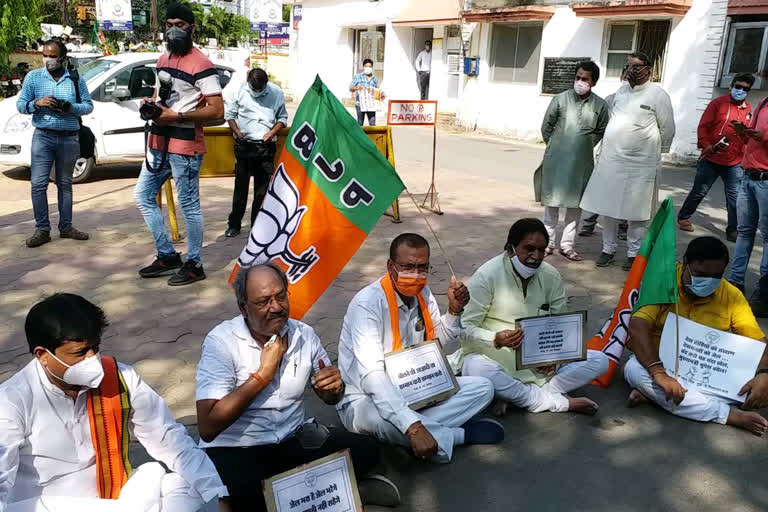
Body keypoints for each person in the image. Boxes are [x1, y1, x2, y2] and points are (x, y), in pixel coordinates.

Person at [196, 264, 400, 512]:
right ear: (243, 308)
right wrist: (262, 375)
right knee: (238, 490)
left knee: (367, 450)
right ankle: (334, 492)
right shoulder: (222, 342)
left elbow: (332, 396)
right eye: (263, 302)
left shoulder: (304, 335)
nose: (276, 307)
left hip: (291, 439)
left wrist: (332, 389)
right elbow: (207, 426)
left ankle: (312, 495)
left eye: (281, 296)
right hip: (238, 449)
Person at [0, 294, 228, 512]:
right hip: (45, 504)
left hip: (112, 497)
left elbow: (168, 438)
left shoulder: (117, 378)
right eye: (80, 352)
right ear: (43, 355)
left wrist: (219, 494)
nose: (93, 359)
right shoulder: (12, 401)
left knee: (188, 484)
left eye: (96, 348)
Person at [336, 233, 504, 464]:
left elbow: (435, 347)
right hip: (364, 397)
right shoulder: (367, 304)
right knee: (380, 419)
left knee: (483, 387)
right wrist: (413, 427)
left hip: (415, 386)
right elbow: (372, 377)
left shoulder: (422, 293)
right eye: (407, 267)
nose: (415, 275)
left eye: (422, 268)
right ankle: (456, 435)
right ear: (390, 266)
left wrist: (454, 312)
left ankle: (408, 437)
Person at [460, 219, 610, 417]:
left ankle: (515, 395)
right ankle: (556, 402)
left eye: (541, 250)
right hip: (497, 359)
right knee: (476, 367)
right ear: (510, 248)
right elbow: (465, 328)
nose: (536, 256)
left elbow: (561, 323)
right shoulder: (486, 275)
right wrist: (495, 338)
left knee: (600, 360)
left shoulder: (550, 275)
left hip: (540, 364)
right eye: (529, 249)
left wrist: (555, 358)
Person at [625, 237, 768, 436]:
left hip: (709, 372)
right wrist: (659, 373)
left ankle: (657, 397)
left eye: (716, 276)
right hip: (658, 364)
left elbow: (757, 341)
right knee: (633, 370)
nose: (708, 281)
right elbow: (638, 326)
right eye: (701, 274)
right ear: (686, 263)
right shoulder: (662, 282)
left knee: (759, 388)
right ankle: (726, 414)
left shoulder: (732, 295)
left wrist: (764, 374)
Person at [133, 2, 224, 286]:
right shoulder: (163, 59)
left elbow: (217, 111)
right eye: (169, 24)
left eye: (179, 25)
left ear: (191, 28)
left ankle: (195, 263)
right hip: (159, 141)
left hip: (185, 146)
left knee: (189, 206)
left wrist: (179, 115)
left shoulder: (202, 64)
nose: (173, 30)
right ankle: (167, 255)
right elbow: (165, 96)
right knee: (143, 196)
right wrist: (154, 105)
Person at [580, 52, 676, 271]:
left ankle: (634, 254)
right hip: (612, 161)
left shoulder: (658, 95)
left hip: (641, 165)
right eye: (628, 65)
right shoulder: (620, 92)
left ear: (649, 70)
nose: (631, 69)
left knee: (637, 213)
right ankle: (608, 249)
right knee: (608, 209)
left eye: (636, 66)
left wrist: (655, 155)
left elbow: (668, 128)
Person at [16, 39, 92, 248]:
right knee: (38, 184)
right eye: (45, 55)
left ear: (62, 58)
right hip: (44, 136)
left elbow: (88, 106)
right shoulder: (33, 77)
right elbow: (21, 105)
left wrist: (70, 107)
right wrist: (37, 103)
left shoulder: (75, 79)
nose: (48, 60)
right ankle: (42, 230)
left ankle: (66, 227)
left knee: (65, 183)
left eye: (52, 56)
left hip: (69, 137)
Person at [537, 61, 609, 261]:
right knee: (551, 203)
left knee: (575, 206)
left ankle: (567, 245)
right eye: (578, 77)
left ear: (593, 82)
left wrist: (583, 144)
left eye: (584, 79)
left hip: (582, 163)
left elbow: (601, 131)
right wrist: (557, 145)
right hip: (556, 160)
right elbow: (546, 127)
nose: (580, 82)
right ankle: (547, 243)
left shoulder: (600, 105)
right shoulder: (560, 99)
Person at [678, 73, 754, 242]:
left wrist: (745, 136)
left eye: (745, 89)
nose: (740, 91)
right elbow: (703, 126)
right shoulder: (717, 104)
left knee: (734, 197)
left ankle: (733, 229)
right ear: (731, 86)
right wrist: (706, 146)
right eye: (738, 87)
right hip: (712, 157)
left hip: (734, 161)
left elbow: (747, 137)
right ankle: (683, 217)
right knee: (700, 191)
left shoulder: (748, 109)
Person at [223, 68, 288, 237]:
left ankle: (257, 225)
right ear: (249, 83)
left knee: (262, 188)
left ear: (266, 84)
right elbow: (230, 115)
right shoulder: (238, 90)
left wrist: (272, 133)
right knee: (241, 187)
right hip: (244, 144)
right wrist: (237, 131)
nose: (258, 92)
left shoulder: (275, 92)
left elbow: (282, 118)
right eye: (255, 88)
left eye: (261, 88)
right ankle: (234, 224)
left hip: (265, 145)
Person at [349, 58, 383, 126]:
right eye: (366, 66)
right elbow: (350, 88)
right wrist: (357, 87)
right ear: (363, 67)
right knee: (360, 124)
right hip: (360, 104)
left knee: (372, 124)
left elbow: (376, 91)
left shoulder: (374, 78)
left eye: (370, 66)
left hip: (371, 105)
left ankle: (372, 137)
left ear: (372, 67)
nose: (368, 68)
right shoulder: (358, 77)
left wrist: (381, 95)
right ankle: (359, 136)